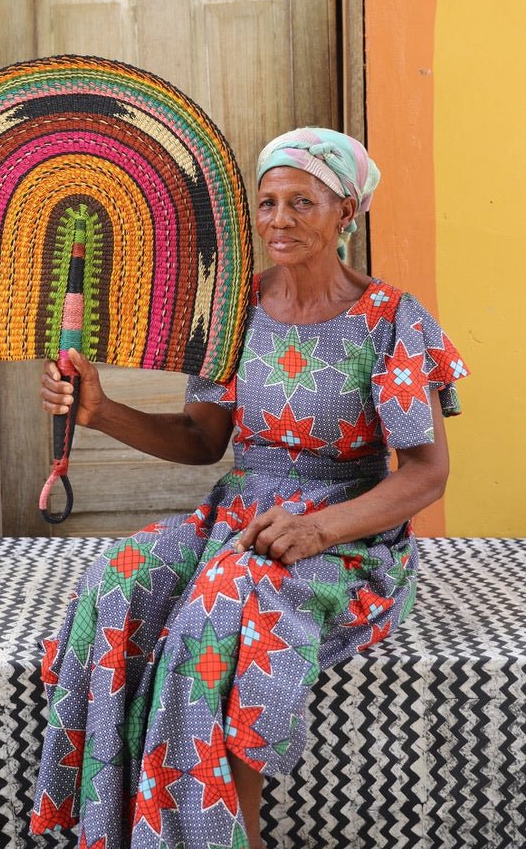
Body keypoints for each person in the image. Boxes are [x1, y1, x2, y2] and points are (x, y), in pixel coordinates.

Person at [31, 127, 467, 849]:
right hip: (239, 511)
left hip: (347, 531)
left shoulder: (390, 320)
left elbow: (427, 471)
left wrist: (320, 531)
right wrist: (102, 411)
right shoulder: (238, 308)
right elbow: (203, 441)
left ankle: (231, 836)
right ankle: (117, 823)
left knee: (218, 610)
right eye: (267, 203)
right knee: (118, 580)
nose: (279, 220)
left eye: (303, 201)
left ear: (346, 214)